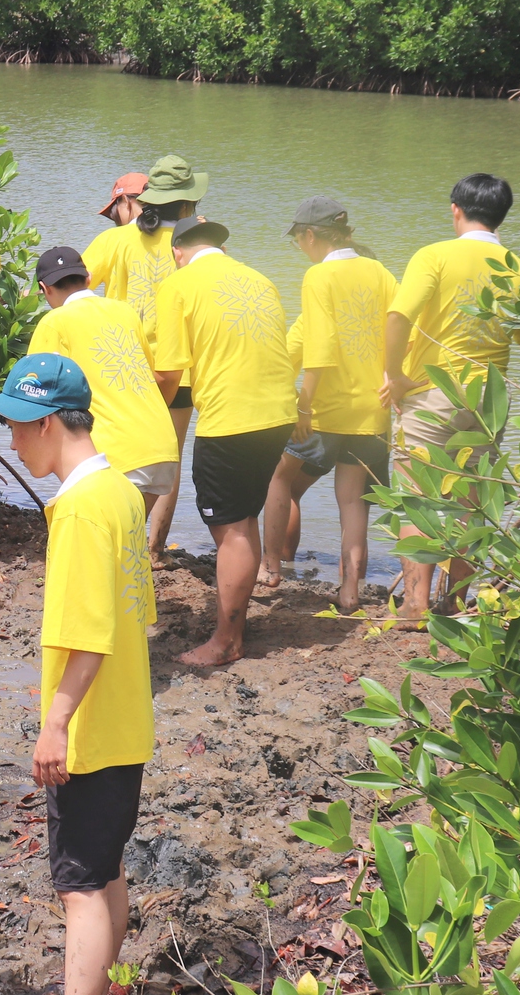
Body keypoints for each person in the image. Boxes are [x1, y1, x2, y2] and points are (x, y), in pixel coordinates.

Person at [0, 354, 153, 995]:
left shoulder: (81, 507)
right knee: (105, 870)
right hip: (125, 723)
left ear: (50, 421)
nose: (13, 444)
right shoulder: (120, 490)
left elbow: (87, 635)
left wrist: (55, 722)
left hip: (91, 728)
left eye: (19, 428)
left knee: (79, 885)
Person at [380, 173, 520, 626]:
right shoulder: (519, 266)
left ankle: (415, 606)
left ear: (455, 210)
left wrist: (396, 375)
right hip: (489, 400)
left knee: (419, 496)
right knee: (472, 499)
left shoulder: (434, 255)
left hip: (434, 392)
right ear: (502, 216)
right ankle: (458, 603)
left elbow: (397, 317)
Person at [153, 215, 296, 666]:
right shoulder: (260, 279)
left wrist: (148, 417)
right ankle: (235, 625)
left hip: (231, 421)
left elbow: (169, 373)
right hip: (278, 414)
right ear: (222, 248)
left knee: (230, 530)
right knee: (243, 519)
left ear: (178, 253)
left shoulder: (178, 286)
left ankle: (227, 641)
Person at [257, 199, 396, 613]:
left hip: (328, 410)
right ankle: (350, 592)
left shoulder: (319, 277)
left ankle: (270, 568)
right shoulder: (381, 272)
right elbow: (400, 328)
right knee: (353, 503)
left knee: (279, 478)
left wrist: (303, 407)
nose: (301, 247)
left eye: (299, 240)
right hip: (373, 411)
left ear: (310, 235)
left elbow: (317, 350)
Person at [85, 156, 207, 563]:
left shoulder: (114, 241)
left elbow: (73, 290)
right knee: (166, 460)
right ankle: (152, 549)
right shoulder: (197, 245)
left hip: (122, 370)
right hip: (181, 371)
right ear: (188, 205)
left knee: (116, 454)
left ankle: (111, 532)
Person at [26, 246, 181, 513]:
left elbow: (32, 393)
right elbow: (156, 376)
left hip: (117, 454)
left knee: (102, 543)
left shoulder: (54, 322)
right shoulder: (125, 312)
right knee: (125, 543)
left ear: (44, 288)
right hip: (162, 446)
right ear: (87, 277)